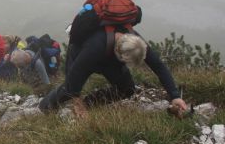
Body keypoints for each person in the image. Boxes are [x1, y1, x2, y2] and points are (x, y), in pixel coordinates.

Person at [39, 30, 188, 117]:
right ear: (118, 52)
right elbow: (75, 78)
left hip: (109, 59)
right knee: (69, 88)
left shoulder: (137, 43)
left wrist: (175, 96)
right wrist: (78, 105)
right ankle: (45, 106)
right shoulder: (94, 47)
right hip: (80, 54)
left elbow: (159, 66)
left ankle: (90, 102)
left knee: (127, 89)